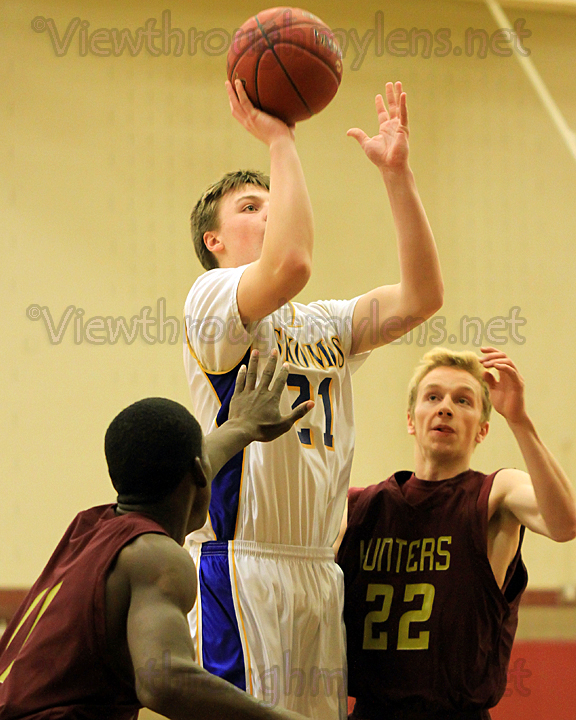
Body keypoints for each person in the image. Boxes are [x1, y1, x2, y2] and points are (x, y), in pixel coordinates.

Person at [183, 79, 443, 720]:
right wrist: (280, 136)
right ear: (213, 242)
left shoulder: (325, 324)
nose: (270, 211)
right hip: (241, 569)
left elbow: (423, 297)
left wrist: (397, 176)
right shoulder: (211, 299)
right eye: (250, 207)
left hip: (319, 572)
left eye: (275, 201)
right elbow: (292, 261)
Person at [0, 352, 314, 720]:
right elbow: (164, 681)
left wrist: (242, 426)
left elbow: (199, 461)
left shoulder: (89, 529)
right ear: (198, 476)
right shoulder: (157, 556)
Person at [336, 346, 576, 720]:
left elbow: (565, 524)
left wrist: (519, 420)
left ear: (482, 429)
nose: (445, 407)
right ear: (411, 420)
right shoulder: (360, 506)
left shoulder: (496, 494)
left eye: (463, 400)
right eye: (433, 396)